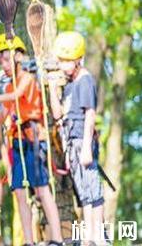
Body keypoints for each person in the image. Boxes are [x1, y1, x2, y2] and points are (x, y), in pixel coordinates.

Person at [0, 35, 63, 246]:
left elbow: (16, 96)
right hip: (17, 142)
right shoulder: (8, 87)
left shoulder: (27, 78)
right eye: (0, 61)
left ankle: (56, 238)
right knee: (19, 191)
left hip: (33, 138)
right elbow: (2, 119)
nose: (3, 65)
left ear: (18, 56)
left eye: (6, 59)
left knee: (41, 188)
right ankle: (28, 241)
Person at [49, 31, 105, 245]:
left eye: (66, 62)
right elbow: (58, 114)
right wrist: (54, 90)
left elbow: (90, 114)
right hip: (71, 141)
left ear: (78, 59)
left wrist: (87, 149)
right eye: (61, 61)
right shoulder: (70, 84)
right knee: (83, 192)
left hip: (83, 141)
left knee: (93, 189)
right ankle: (88, 237)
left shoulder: (85, 81)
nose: (62, 66)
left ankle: (98, 236)